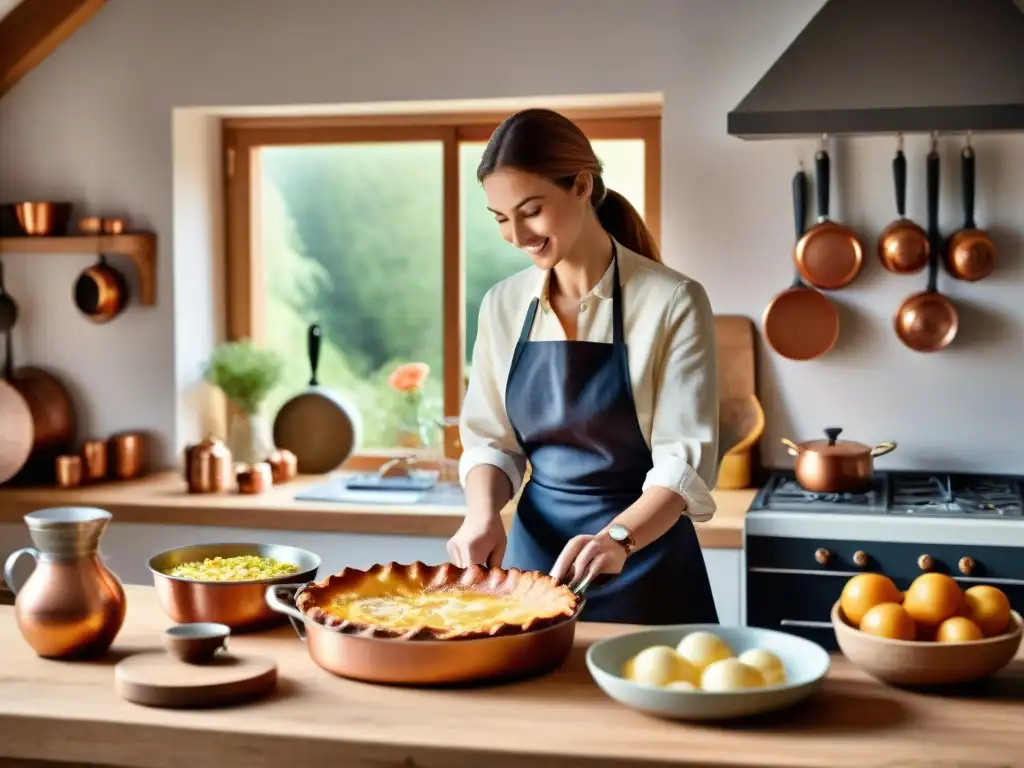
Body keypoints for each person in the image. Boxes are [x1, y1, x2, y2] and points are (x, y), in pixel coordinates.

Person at [446, 108, 720, 625]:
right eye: (501, 218)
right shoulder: (502, 306)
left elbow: (683, 465)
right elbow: (491, 442)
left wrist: (618, 537)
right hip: (533, 572)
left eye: (531, 210)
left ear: (580, 185)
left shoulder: (672, 301)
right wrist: (482, 515)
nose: (516, 234)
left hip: (646, 563)